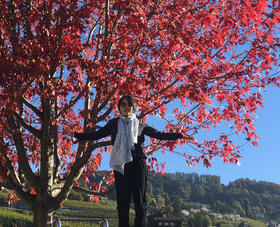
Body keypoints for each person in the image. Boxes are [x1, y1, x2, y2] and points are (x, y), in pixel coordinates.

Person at [72, 95, 192, 227]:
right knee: (122, 203)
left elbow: (159, 135)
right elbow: (96, 135)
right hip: (121, 165)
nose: (126, 107)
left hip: (138, 164)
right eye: (122, 104)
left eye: (129, 104)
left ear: (133, 108)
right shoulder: (113, 123)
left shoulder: (140, 123)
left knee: (140, 202)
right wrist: (76, 134)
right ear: (119, 108)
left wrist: (179, 135)